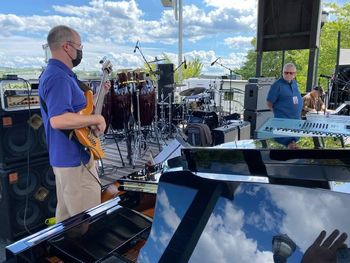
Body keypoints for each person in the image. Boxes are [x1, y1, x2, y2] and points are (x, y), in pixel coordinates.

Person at [39, 25, 108, 223]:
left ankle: (62, 253)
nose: (80, 51)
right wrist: (97, 119)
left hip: (71, 157)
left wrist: (100, 95)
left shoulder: (62, 74)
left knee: (67, 218)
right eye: (79, 46)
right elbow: (58, 119)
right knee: (85, 222)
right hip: (73, 159)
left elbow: (78, 111)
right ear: (67, 47)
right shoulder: (58, 77)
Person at [266, 63, 303, 149]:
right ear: (282, 73)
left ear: (295, 74)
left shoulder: (294, 83)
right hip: (283, 126)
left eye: (291, 73)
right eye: (286, 72)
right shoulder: (277, 85)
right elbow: (269, 103)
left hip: (296, 124)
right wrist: (279, 114)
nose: (288, 75)